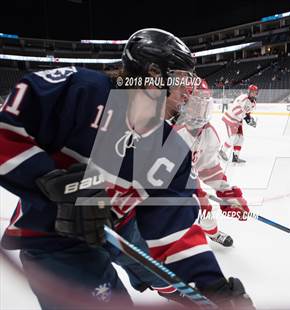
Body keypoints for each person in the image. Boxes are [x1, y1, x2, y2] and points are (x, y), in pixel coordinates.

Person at [0, 28, 254, 309]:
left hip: (122, 225)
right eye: (182, 80)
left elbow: (174, 228)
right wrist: (48, 180)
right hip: (58, 237)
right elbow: (6, 132)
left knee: (172, 278)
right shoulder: (83, 92)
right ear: (154, 75)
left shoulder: (170, 146)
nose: (187, 93)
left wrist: (213, 285)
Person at [171, 79, 250, 247]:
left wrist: (227, 193)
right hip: (155, 190)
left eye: (205, 102)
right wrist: (196, 193)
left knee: (202, 207)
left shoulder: (208, 133)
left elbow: (209, 168)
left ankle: (212, 233)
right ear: (182, 104)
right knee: (200, 206)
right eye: (196, 103)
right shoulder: (170, 132)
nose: (201, 109)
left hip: (181, 181)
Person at [219, 84, 258, 163]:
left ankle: (235, 157)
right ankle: (222, 151)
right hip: (231, 118)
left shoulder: (253, 103)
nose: (253, 93)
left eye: (255, 92)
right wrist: (247, 118)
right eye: (252, 92)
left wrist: (250, 120)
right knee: (233, 137)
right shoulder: (243, 98)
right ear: (249, 91)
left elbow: (247, 114)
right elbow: (235, 109)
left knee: (240, 138)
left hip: (238, 120)